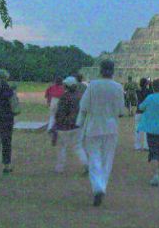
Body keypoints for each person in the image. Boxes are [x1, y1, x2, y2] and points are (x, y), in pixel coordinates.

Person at [76, 60, 124, 206]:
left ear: (100, 70)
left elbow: (83, 107)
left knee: (94, 158)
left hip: (93, 126)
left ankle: (97, 187)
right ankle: (101, 186)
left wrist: (80, 122)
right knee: (107, 160)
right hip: (111, 128)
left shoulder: (93, 85)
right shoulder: (118, 87)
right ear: (113, 71)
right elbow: (121, 111)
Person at [53, 76, 89, 175]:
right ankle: (86, 165)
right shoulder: (81, 96)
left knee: (61, 147)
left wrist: (56, 124)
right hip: (78, 125)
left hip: (64, 126)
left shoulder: (64, 97)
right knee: (78, 147)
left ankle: (59, 168)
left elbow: (60, 113)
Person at [45, 76, 66, 145]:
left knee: (52, 116)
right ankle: (58, 129)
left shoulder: (51, 87)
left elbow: (47, 95)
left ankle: (50, 128)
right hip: (59, 102)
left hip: (53, 101)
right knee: (59, 117)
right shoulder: (63, 88)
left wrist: (48, 102)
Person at [134, 77, 150, 151]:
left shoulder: (137, 91)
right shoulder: (148, 91)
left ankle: (138, 146)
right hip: (146, 112)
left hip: (138, 112)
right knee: (147, 130)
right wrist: (150, 84)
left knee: (138, 130)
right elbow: (151, 92)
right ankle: (146, 146)